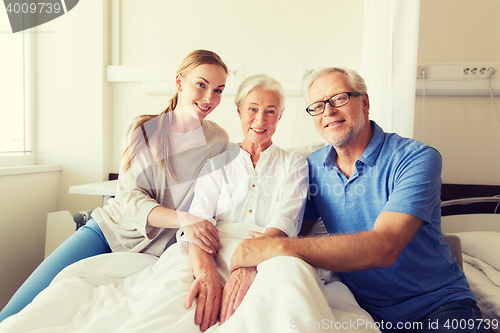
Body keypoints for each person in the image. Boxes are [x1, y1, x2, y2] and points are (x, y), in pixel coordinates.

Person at [230, 67, 488, 333]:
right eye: (317, 106)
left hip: (437, 308)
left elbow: (385, 246)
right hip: (362, 314)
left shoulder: (416, 158)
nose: (328, 111)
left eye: (339, 98)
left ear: (364, 102)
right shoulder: (311, 167)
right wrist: (254, 263)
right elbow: (289, 227)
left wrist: (275, 248)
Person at [0, 49, 231, 322]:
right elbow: (131, 198)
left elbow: (209, 198)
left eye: (218, 90)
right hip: (108, 231)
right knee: (20, 309)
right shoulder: (144, 129)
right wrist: (184, 220)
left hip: (159, 249)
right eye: (201, 85)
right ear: (180, 82)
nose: (209, 98)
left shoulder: (218, 138)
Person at [181, 73, 309, 331]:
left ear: (280, 117)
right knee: (182, 308)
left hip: (271, 252)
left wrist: (251, 261)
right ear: (239, 111)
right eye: (253, 109)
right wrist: (206, 273)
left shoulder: (295, 165)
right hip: (212, 249)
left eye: (270, 111)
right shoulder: (216, 162)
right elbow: (198, 223)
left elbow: (283, 224)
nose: (260, 120)